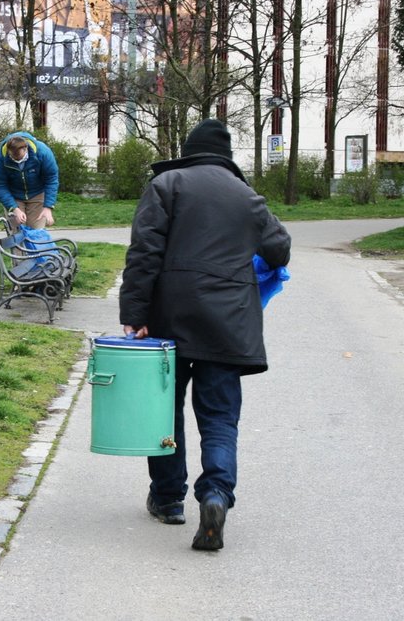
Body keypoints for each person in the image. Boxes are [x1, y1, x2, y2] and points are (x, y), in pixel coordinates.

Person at [119, 119, 291, 551]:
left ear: (190, 150)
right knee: (219, 418)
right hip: (227, 323)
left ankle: (168, 500)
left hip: (169, 317)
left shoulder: (167, 184)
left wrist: (134, 313)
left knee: (163, 412)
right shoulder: (248, 197)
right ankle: (215, 494)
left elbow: (144, 253)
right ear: (226, 156)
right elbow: (279, 249)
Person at [0, 131, 59, 230]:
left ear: (26, 148)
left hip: (37, 193)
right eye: (14, 158)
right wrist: (14, 208)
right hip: (14, 195)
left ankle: (35, 244)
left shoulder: (42, 152)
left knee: (36, 232)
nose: (17, 161)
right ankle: (18, 245)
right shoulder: (0, 157)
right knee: (17, 232)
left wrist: (48, 207)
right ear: (8, 151)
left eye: (20, 158)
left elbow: (51, 179)